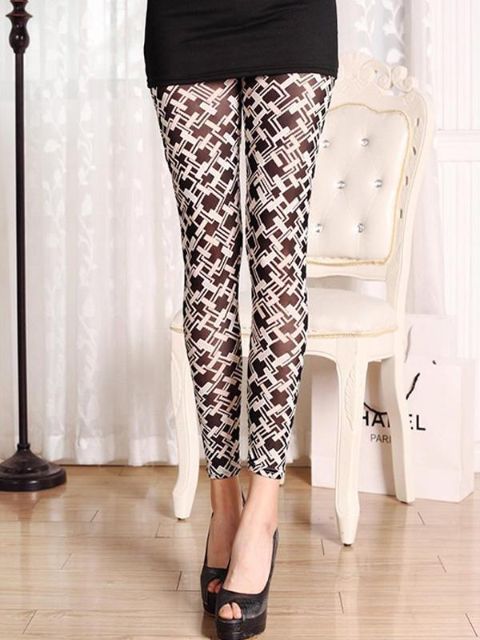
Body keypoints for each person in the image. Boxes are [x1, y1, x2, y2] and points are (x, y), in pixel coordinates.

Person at [144, 2, 338, 638]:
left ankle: (264, 511)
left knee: (279, 260)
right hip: (187, 15)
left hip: (292, 14)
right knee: (208, 265)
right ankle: (224, 501)